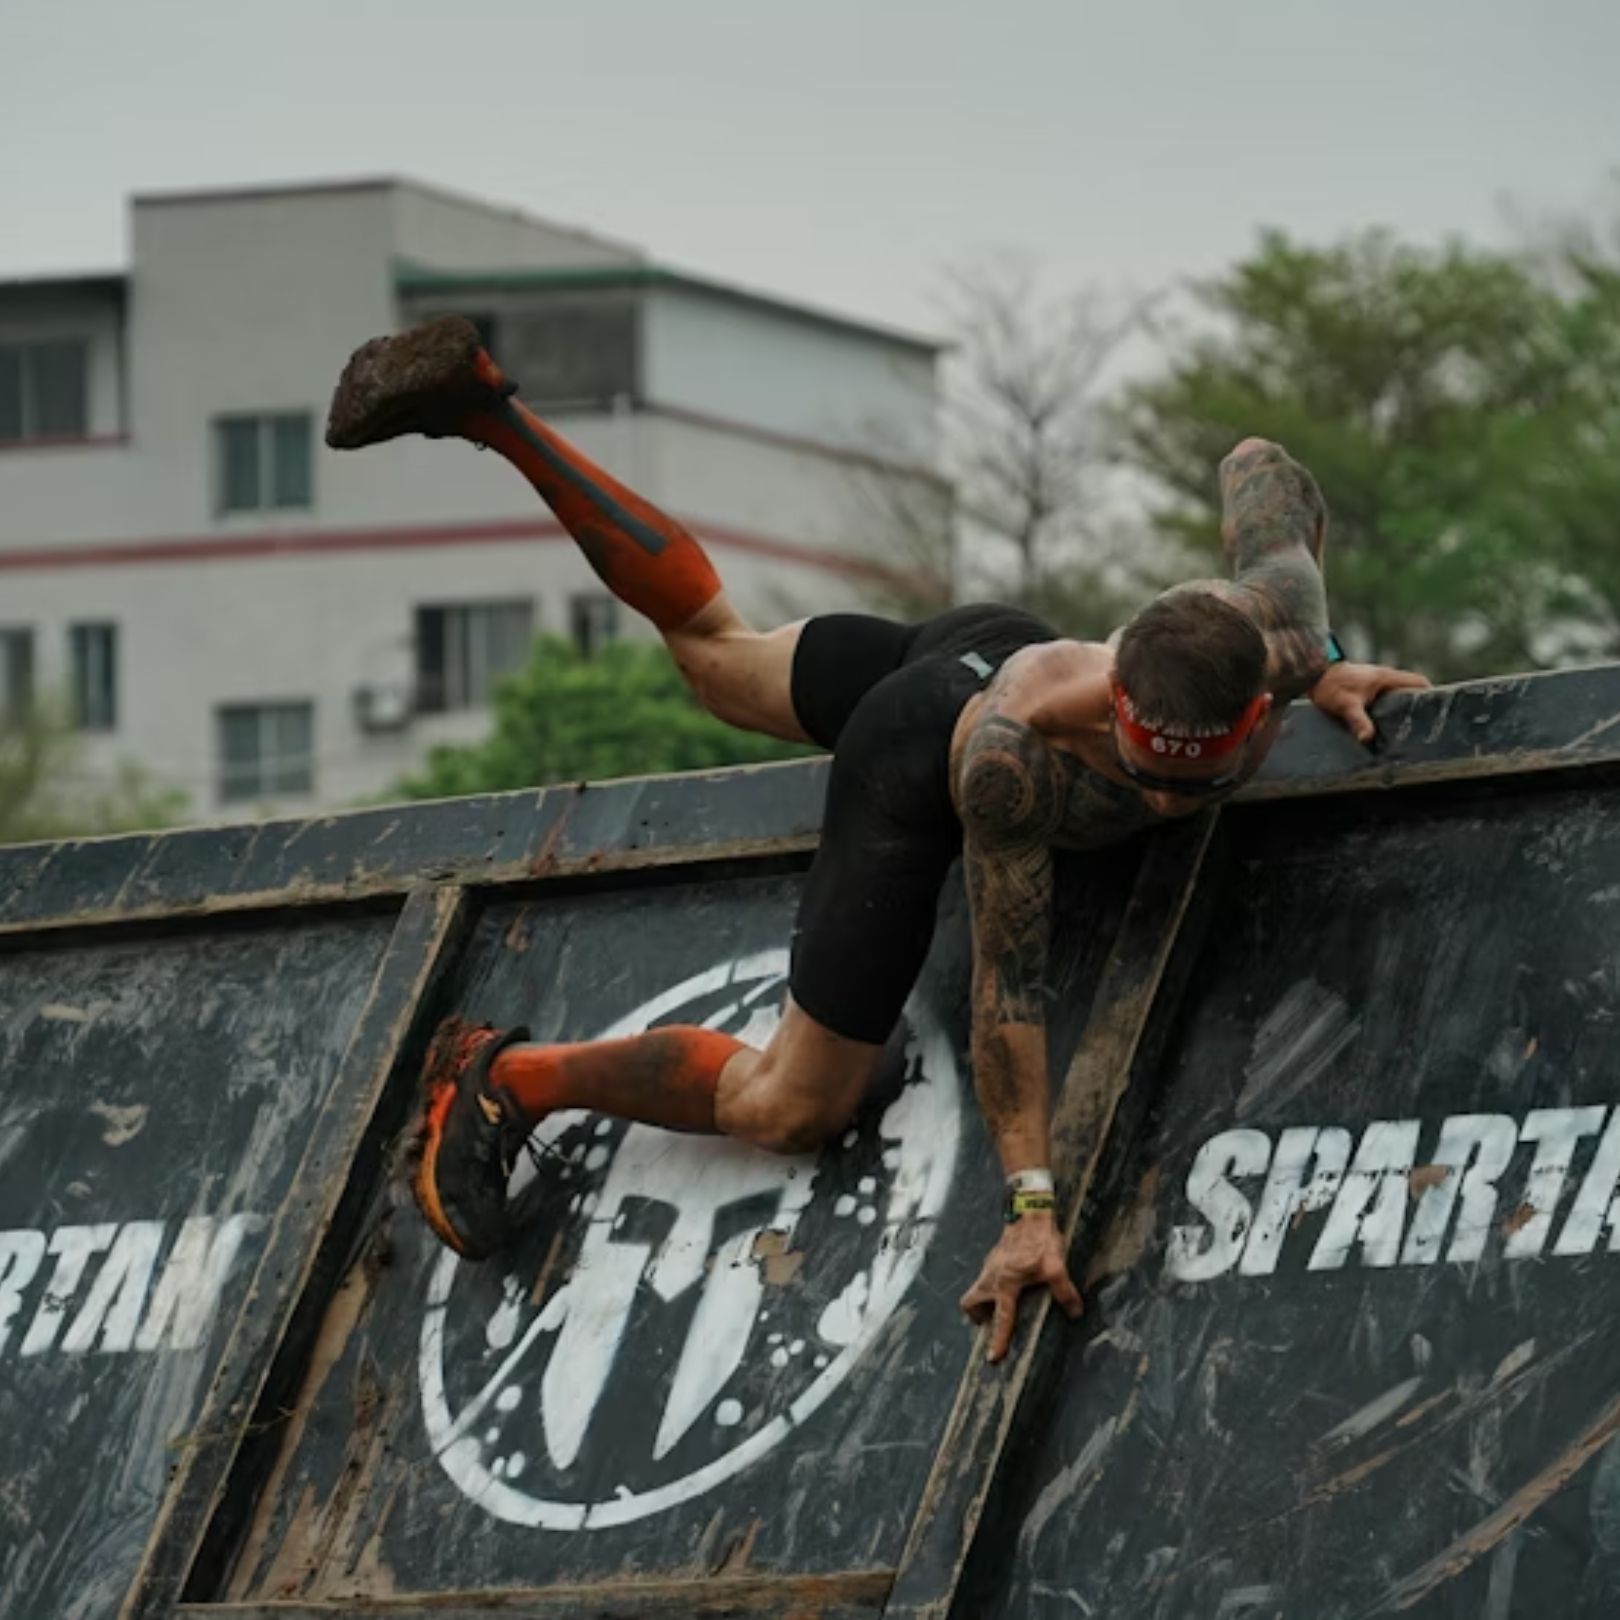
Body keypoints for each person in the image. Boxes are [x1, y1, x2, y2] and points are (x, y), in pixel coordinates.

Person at [326, 316, 1428, 1363]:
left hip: (986, 641)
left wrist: (1331, 665)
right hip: (919, 747)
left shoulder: (1276, 620)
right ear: (1116, 705)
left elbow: (1257, 462)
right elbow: (1010, 991)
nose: (1171, 804)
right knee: (793, 1106)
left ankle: (484, 408)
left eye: (1203, 781)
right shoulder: (1014, 762)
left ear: (1255, 710)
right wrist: (1031, 1209)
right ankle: (512, 1076)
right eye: (1143, 775)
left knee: (720, 656)